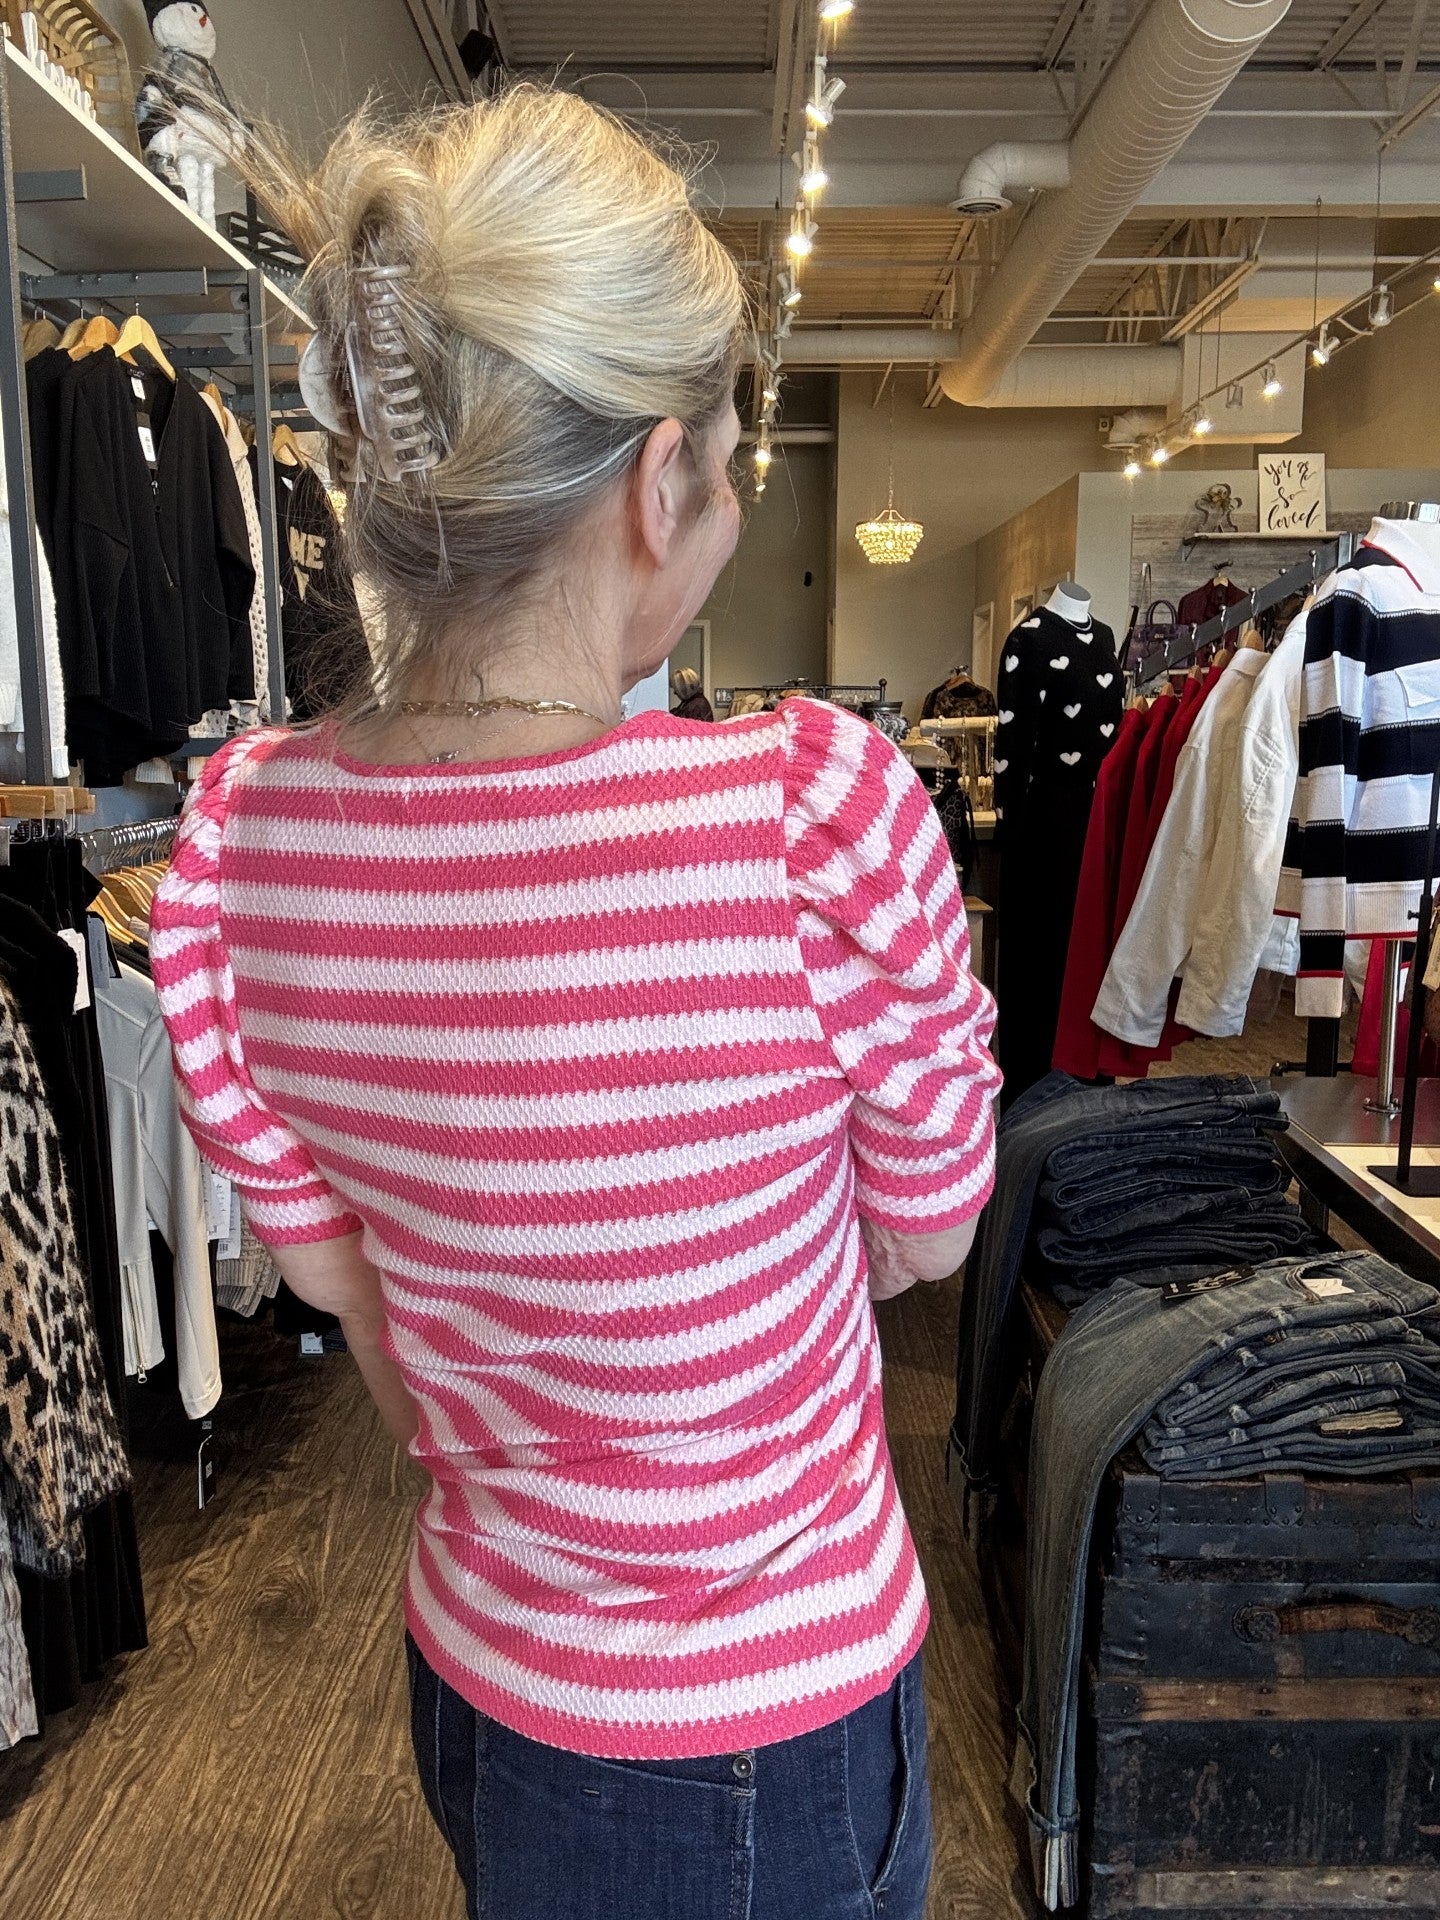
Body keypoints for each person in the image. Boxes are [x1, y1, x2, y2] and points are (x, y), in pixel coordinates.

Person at [150, 82, 1000, 1920]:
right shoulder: (806, 822)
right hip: (762, 1725)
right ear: (655, 482)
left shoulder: (243, 850)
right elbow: (930, 1233)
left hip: (482, 1674)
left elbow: (367, 1322)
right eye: (732, 467)